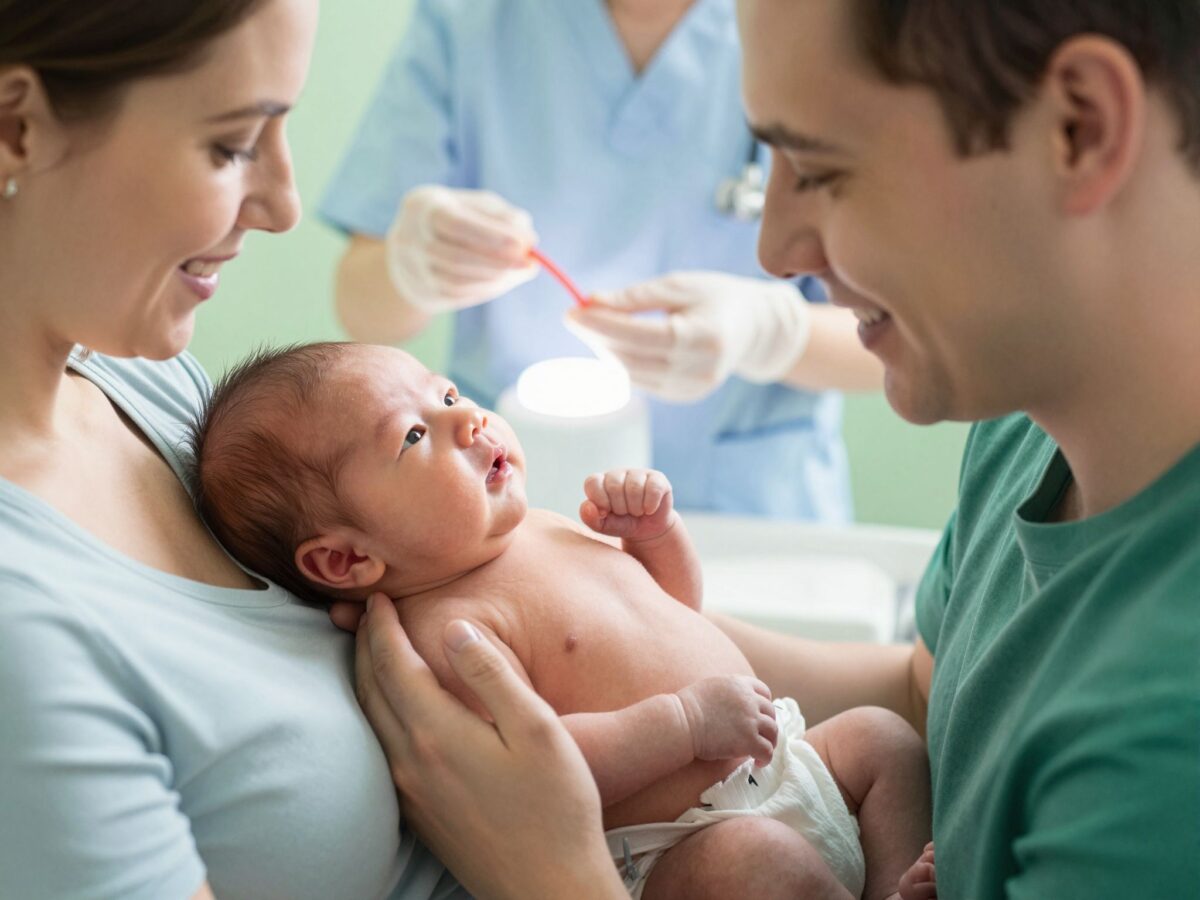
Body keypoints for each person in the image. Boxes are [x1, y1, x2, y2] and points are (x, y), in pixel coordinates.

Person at [342, 0, 1200, 897]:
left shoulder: (1164, 747)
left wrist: (547, 869)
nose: (774, 248)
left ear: (1079, 129)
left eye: (823, 170)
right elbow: (929, 693)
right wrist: (598, 619)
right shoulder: (1027, 435)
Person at [0, 2, 485, 898]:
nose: (285, 208)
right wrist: (552, 862)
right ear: (15, 127)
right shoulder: (21, 637)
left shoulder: (146, 387)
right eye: (231, 146)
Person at [188, 339, 933, 900]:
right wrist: (681, 722)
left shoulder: (537, 526)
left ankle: (894, 884)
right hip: (689, 841)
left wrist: (656, 539)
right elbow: (539, 768)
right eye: (413, 435)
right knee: (759, 863)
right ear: (346, 560)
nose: (467, 420)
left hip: (784, 759)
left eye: (448, 394)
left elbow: (676, 614)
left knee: (884, 737)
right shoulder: (450, 631)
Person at [320, 0, 883, 523]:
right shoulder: (470, 19)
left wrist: (771, 334)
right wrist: (409, 269)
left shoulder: (815, 26)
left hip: (752, 518)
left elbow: (906, 338)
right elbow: (361, 309)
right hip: (508, 512)